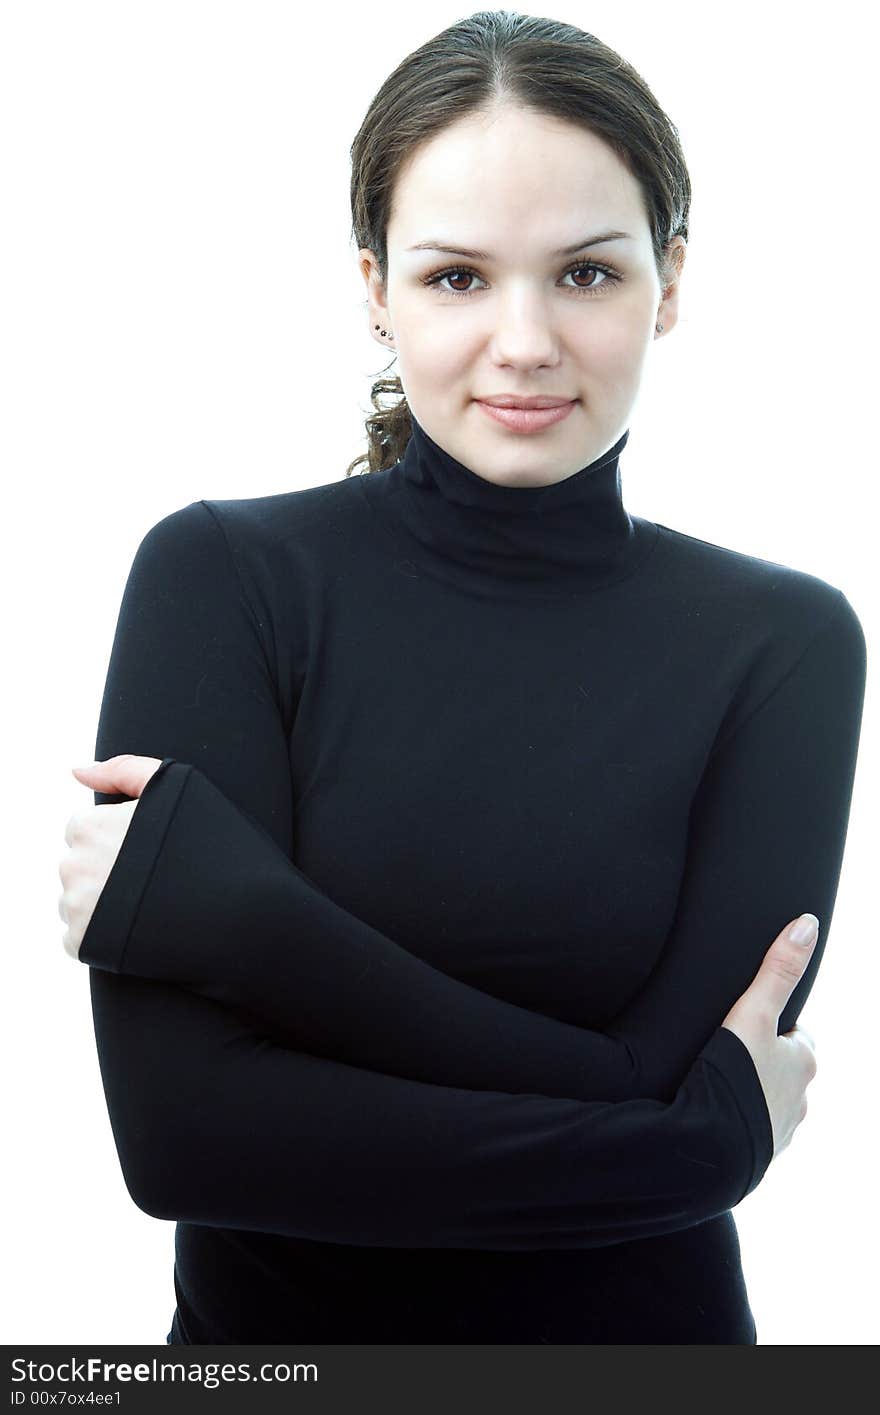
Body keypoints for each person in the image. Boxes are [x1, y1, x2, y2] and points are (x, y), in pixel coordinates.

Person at [69, 12, 865, 1344]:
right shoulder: (224, 580)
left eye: (587, 276)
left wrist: (252, 921)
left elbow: (667, 1079)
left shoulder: (782, 642)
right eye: (456, 279)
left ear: (671, 280)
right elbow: (188, 1145)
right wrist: (685, 1146)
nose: (525, 340)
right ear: (373, 287)